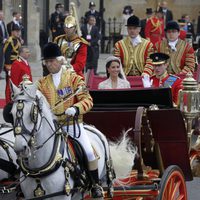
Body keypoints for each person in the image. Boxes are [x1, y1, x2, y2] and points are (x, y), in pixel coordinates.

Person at [37, 42, 103, 199]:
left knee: (88, 151)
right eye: (47, 62)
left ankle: (95, 185)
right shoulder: (41, 83)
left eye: (52, 60)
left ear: (60, 60)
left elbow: (88, 99)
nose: (49, 64)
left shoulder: (74, 79)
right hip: (52, 127)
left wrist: (76, 108)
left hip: (73, 125)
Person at [3, 24, 22, 103]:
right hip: (10, 65)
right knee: (9, 84)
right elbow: (7, 55)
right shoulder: (10, 41)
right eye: (16, 31)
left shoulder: (17, 40)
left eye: (19, 31)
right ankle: (8, 100)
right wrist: (8, 67)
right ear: (12, 32)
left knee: (16, 83)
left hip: (16, 65)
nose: (18, 33)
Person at [0, 10, 8, 79]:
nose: (3, 16)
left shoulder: (3, 22)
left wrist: (7, 38)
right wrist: (2, 39)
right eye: (1, 15)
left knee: (2, 59)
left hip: (4, 44)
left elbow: (5, 32)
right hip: (0, 43)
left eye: (3, 14)